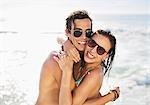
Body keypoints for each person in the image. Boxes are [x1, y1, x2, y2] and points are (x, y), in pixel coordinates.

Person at [35, 10, 119, 105]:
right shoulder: (56, 60)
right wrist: (109, 97)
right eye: (78, 33)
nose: (84, 37)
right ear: (67, 32)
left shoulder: (87, 61)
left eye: (88, 33)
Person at [54, 29, 119, 105]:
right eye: (92, 43)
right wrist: (67, 44)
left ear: (105, 56)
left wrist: (67, 71)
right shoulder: (81, 57)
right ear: (87, 41)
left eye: (100, 50)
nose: (93, 50)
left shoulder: (95, 74)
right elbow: (59, 38)